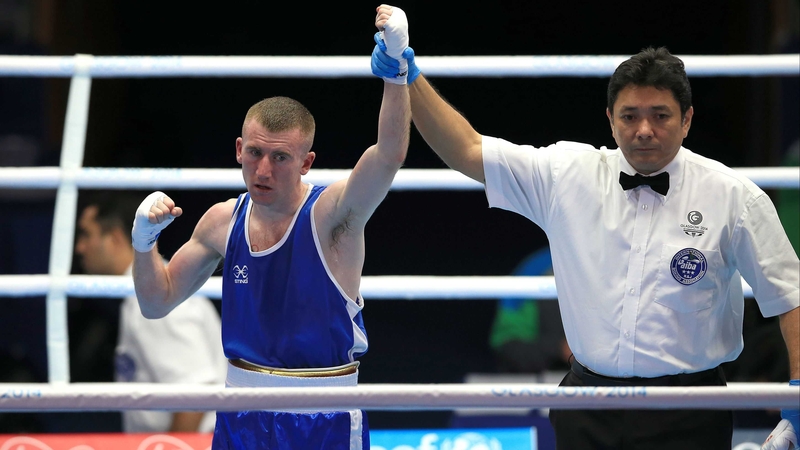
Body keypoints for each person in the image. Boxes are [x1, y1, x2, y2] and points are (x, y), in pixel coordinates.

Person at [370, 7, 799, 450]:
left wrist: (798, 398)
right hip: (586, 405)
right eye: (630, 116)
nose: (644, 130)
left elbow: (792, 296)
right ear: (610, 118)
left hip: (692, 411)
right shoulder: (568, 173)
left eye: (661, 115)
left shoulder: (734, 197)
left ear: (687, 119)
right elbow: (467, 148)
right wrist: (405, 70)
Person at [130, 8, 411, 448]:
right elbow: (155, 301)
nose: (263, 169)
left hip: (324, 417)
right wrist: (144, 244)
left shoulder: (332, 215)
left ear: (306, 162)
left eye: (280, 157)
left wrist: (396, 71)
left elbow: (389, 154)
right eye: (255, 153)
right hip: (241, 413)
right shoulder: (223, 221)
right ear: (239, 149)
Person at [74, 192, 227, 433]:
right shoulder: (141, 297)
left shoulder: (157, 300)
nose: (79, 248)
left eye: (86, 234)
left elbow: (194, 395)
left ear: (113, 238)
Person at [489, 246, 571, 374]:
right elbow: (508, 346)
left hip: (607, 382)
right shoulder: (537, 269)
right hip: (545, 384)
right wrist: (559, 349)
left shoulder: (611, 266)